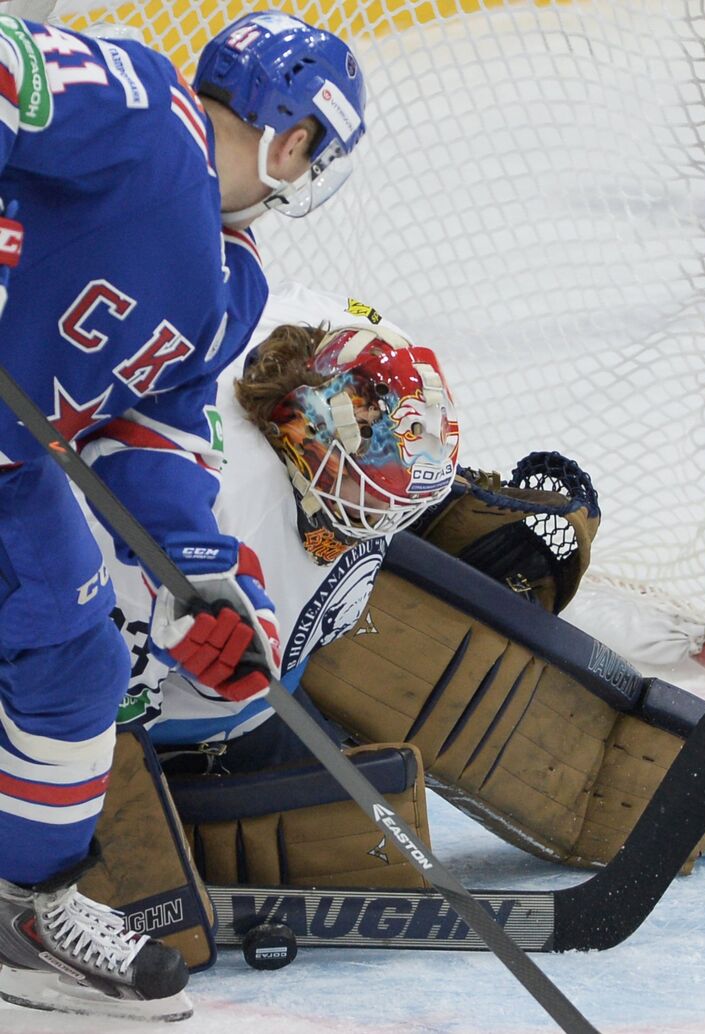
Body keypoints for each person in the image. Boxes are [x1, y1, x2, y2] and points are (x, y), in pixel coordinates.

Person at [0, 11, 365, 1021]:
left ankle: (21, 910)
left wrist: (203, 576)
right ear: (293, 136)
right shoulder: (139, 106)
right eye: (314, 149)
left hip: (7, 465)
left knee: (79, 664)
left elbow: (147, 435)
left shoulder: (229, 280)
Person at [92, 281, 459, 769]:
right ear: (306, 444)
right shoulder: (214, 506)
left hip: (275, 677)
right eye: (371, 491)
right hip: (185, 727)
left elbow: (354, 335)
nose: (388, 515)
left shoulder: (334, 332)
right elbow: (115, 708)